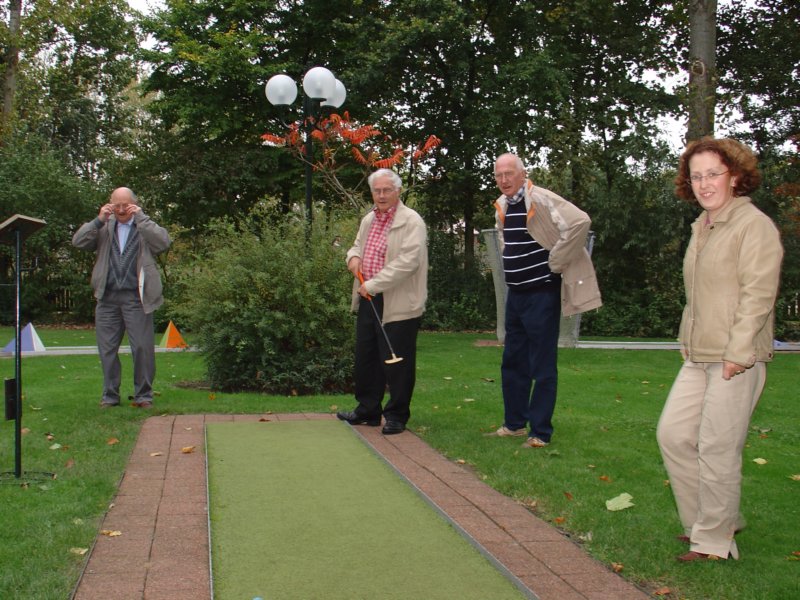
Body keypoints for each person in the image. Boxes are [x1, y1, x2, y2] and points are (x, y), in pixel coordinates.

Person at [657, 137, 783, 562]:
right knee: (673, 435)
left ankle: (714, 541)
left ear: (735, 176)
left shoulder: (753, 225)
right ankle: (707, 523)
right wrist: (687, 340)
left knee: (717, 447)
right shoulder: (703, 226)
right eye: (696, 176)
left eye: (713, 173)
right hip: (699, 354)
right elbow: (698, 295)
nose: (704, 183)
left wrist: (738, 352)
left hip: (736, 357)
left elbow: (758, 295)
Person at [489, 153, 601, 448]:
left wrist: (556, 261)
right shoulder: (502, 206)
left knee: (542, 365)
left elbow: (580, 222)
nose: (504, 180)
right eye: (499, 175)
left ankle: (539, 432)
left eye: (509, 173)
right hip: (516, 295)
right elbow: (506, 241)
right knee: (512, 362)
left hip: (541, 293)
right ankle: (514, 424)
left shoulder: (541, 198)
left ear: (522, 174)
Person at [336, 169, 428, 435]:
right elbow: (357, 246)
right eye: (377, 190)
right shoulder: (369, 219)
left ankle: (397, 415)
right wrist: (352, 258)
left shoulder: (412, 221)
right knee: (366, 357)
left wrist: (373, 284)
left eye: (387, 190)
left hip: (399, 301)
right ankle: (368, 410)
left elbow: (409, 262)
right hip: (369, 297)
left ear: (398, 191)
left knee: (397, 361)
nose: (382, 195)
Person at [72, 187, 171, 409]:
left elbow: (163, 243)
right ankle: (110, 396)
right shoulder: (103, 227)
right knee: (106, 349)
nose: (121, 209)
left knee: (142, 348)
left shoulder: (143, 226)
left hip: (137, 298)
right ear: (110, 204)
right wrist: (98, 220)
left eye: (126, 205)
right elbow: (78, 242)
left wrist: (142, 218)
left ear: (134, 205)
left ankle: (143, 396)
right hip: (107, 298)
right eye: (117, 205)